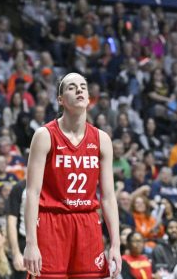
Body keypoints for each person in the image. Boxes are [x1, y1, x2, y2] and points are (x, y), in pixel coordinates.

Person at [23, 72, 121, 278]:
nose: (79, 90)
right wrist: (30, 243)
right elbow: (32, 192)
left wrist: (115, 245)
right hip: (51, 222)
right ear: (60, 100)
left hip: (87, 223)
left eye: (83, 86)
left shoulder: (102, 139)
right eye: (71, 87)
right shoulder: (44, 136)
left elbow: (109, 197)